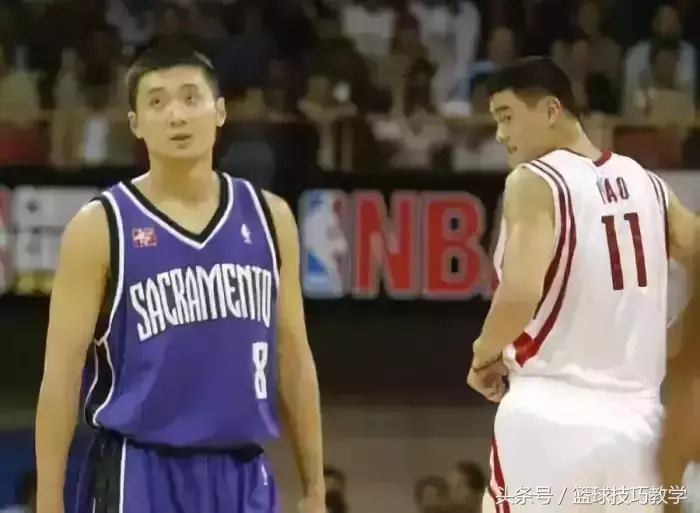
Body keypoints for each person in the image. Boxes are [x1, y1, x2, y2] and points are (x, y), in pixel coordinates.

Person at [34, 44, 325, 513]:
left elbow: (292, 357)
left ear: (220, 111)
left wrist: (315, 487)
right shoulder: (100, 227)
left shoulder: (271, 217)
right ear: (135, 124)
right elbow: (61, 377)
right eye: (157, 102)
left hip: (242, 471)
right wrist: (49, 501)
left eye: (191, 98)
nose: (176, 115)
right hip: (139, 471)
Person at [467, 57, 699, 512]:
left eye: (507, 116)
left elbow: (520, 292)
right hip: (640, 428)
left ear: (551, 110)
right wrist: (680, 334)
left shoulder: (534, 181)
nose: (499, 134)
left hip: (549, 419)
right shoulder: (648, 184)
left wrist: (482, 357)